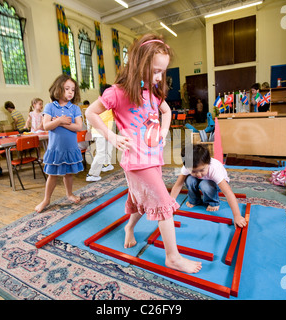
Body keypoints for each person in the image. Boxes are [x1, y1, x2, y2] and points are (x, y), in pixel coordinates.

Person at [86, 34, 202, 274]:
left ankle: (129, 228)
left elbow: (167, 112)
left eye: (163, 72)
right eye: (156, 71)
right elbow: (90, 113)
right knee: (163, 203)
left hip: (153, 157)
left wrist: (164, 132)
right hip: (137, 161)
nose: (160, 77)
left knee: (142, 201)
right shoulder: (117, 93)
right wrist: (112, 136)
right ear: (139, 63)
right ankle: (173, 257)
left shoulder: (152, 92)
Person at [35, 74, 84, 213]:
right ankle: (46, 199)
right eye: (67, 88)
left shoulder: (75, 108)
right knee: (52, 175)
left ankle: (69, 194)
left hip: (70, 148)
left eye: (72, 90)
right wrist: (60, 120)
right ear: (58, 89)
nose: (70, 92)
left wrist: (61, 123)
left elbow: (78, 127)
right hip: (55, 149)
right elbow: (46, 126)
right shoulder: (50, 106)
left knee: (68, 174)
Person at [170, 144, 247, 229]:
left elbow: (228, 193)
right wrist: (170, 204)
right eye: (194, 171)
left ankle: (213, 202)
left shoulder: (214, 169)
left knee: (205, 185)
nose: (199, 174)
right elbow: (178, 185)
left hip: (213, 183)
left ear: (208, 163)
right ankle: (195, 200)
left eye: (202, 170)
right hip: (202, 180)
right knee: (189, 180)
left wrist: (237, 216)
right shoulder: (187, 167)